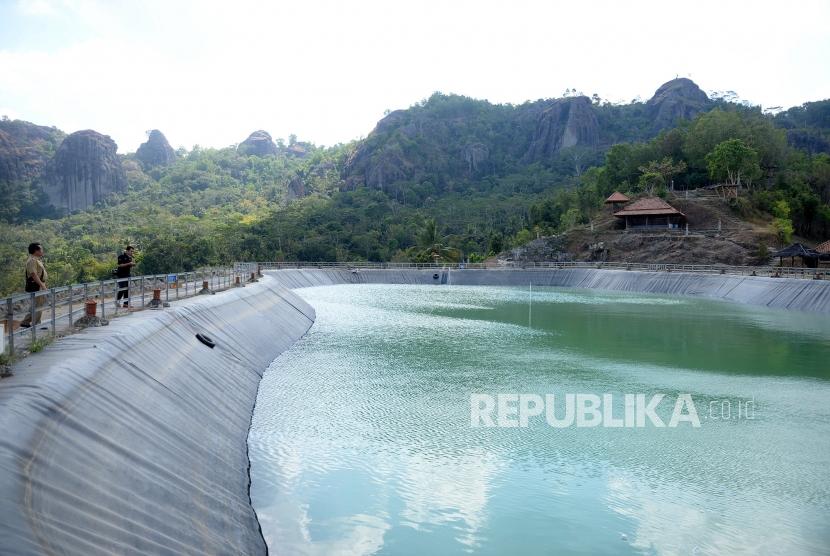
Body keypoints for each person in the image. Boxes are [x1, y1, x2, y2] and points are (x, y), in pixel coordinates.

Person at [20, 242, 47, 328]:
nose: (42, 251)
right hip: (36, 285)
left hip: (39, 284)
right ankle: (36, 324)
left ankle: (26, 321)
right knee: (38, 305)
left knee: (36, 304)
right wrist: (42, 285)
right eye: (41, 249)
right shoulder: (32, 260)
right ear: (36, 250)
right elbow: (33, 274)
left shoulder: (36, 260)